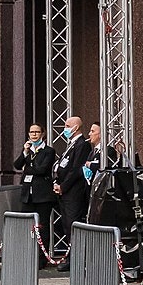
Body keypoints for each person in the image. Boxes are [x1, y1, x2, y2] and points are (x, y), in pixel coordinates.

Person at [51, 114, 92, 272]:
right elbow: (61, 166)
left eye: (68, 126)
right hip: (64, 191)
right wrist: (57, 182)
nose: (65, 129)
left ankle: (75, 256)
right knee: (66, 225)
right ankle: (70, 255)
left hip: (73, 192)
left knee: (73, 224)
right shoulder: (71, 145)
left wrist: (64, 186)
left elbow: (76, 169)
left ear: (76, 127)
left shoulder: (82, 145)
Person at [12, 122, 58, 260]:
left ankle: (41, 257)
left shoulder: (48, 151)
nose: (34, 135)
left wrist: (28, 168)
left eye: (37, 132)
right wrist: (25, 153)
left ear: (42, 134)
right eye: (31, 132)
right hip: (28, 195)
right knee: (27, 224)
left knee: (41, 226)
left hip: (43, 195)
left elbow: (42, 169)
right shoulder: (28, 151)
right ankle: (27, 255)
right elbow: (17, 165)